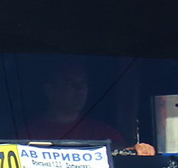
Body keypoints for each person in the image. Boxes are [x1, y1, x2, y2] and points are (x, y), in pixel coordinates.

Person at [27, 59, 155, 155]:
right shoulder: (29, 134)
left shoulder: (102, 132)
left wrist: (139, 151)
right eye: (70, 83)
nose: (80, 89)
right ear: (50, 90)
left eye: (83, 83)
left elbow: (122, 154)